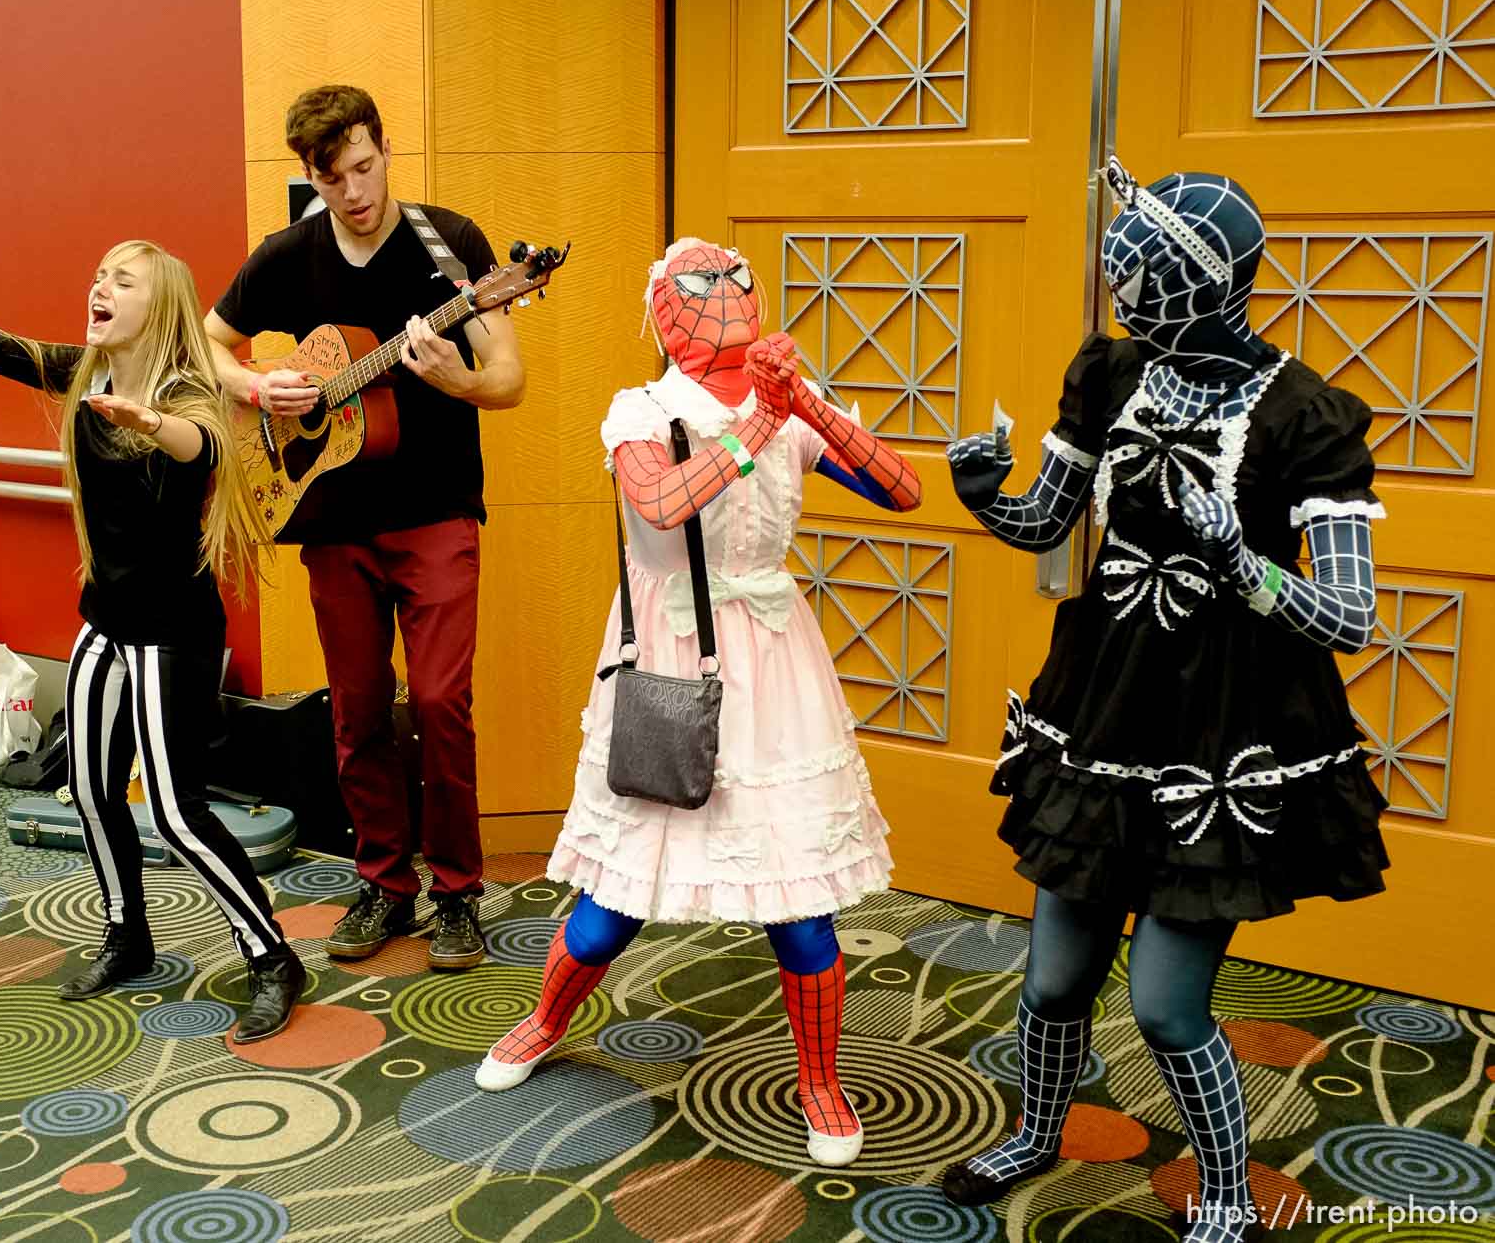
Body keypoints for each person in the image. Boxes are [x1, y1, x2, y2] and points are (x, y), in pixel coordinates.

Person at [937, 160, 1389, 1243]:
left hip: (1228, 726)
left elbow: (1347, 616)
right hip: (1103, 702)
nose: (1120, 283)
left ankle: (1226, 1191)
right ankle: (1035, 1134)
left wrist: (1240, 558)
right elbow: (1046, 519)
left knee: (1162, 1005)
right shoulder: (1109, 374)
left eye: (1138, 267)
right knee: (1051, 980)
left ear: (1208, 279)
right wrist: (980, 493)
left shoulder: (1304, 416)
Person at [474, 238, 921, 1169]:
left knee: (797, 901)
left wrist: (812, 415)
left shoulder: (789, 405)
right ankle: (546, 1018)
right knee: (614, 896)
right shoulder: (640, 409)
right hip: (672, 647)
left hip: (772, 657)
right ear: (663, 311)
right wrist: (756, 425)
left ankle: (820, 1081)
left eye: (734, 281)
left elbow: (904, 489)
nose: (721, 297)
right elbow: (662, 505)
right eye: (698, 287)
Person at [0, 207, 307, 1043]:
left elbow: (203, 446)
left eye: (123, 280)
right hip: (105, 625)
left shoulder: (188, 393)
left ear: (161, 308)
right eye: (98, 274)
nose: (100, 287)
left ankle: (271, 957)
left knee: (181, 813)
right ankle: (127, 934)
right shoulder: (84, 373)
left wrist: (151, 423)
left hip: (171, 632)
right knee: (87, 790)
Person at [204, 84, 524, 971]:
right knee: (354, 710)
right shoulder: (286, 256)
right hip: (332, 517)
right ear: (308, 174)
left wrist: (450, 379)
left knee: (435, 702)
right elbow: (206, 340)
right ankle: (384, 882)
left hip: (436, 512)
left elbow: (507, 378)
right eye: (334, 177)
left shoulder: (451, 244)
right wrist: (259, 388)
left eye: (365, 167)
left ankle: (457, 891)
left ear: (385, 149)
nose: (355, 192)